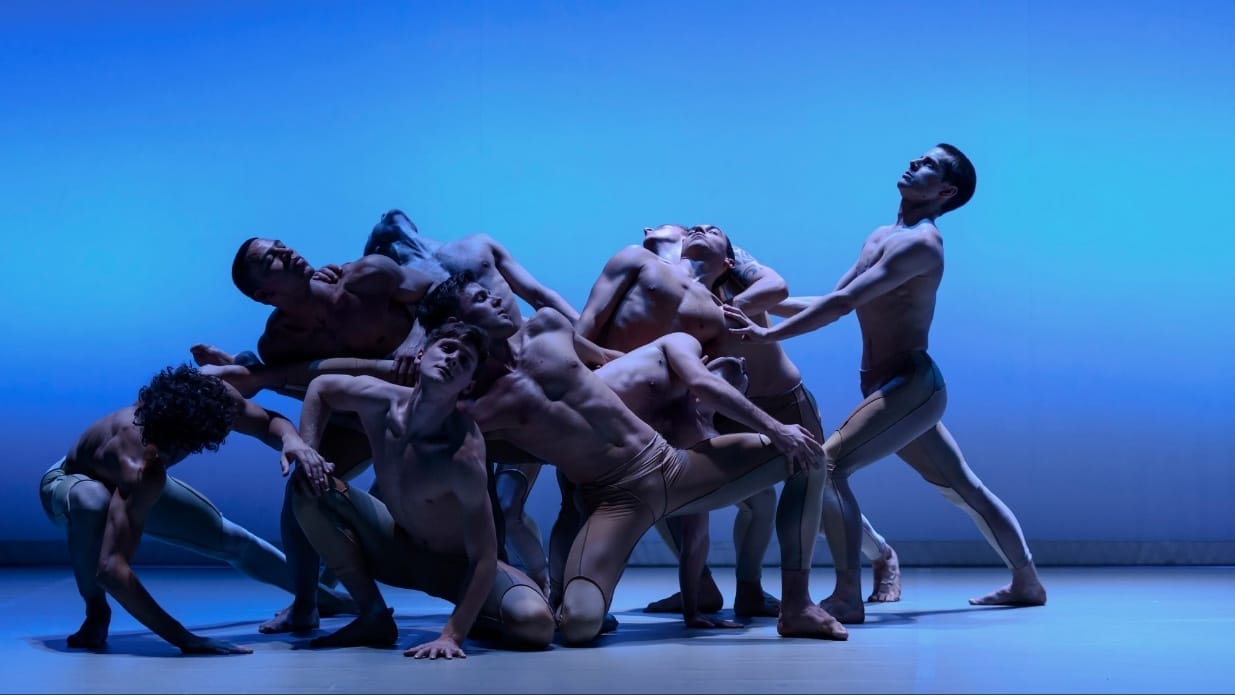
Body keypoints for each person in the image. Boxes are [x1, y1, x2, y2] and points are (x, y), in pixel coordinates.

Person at [418, 272, 847, 644]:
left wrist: (775, 428)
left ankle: (797, 606)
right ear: (457, 324)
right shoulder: (475, 408)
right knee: (579, 627)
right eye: (480, 298)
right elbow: (398, 410)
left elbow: (609, 362)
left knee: (807, 454)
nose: (495, 297)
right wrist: (415, 351)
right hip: (613, 500)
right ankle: (532, 604)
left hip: (671, 466)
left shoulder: (549, 327)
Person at [725, 144, 1047, 623]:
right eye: (918, 158)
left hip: (912, 386)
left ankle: (847, 596)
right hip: (890, 390)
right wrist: (755, 307)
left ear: (946, 191)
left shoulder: (922, 244)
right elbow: (835, 299)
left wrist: (768, 330)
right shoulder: (881, 235)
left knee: (824, 467)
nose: (915, 164)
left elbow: (839, 305)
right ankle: (1028, 582)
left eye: (929, 166)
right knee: (961, 486)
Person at [38, 365, 349, 653]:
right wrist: (185, 639)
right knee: (93, 501)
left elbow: (268, 422)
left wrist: (293, 441)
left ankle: (325, 600)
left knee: (234, 541)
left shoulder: (205, 395)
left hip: (132, 480)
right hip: (70, 482)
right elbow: (112, 570)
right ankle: (96, 613)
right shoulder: (141, 464)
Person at [291, 323, 555, 657]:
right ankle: (372, 614)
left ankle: (479, 616)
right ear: (420, 354)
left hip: (455, 568)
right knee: (306, 485)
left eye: (465, 360)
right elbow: (321, 387)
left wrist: (451, 636)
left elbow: (485, 557)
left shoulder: (462, 452)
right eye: (446, 348)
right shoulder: (378, 402)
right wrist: (308, 450)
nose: (453, 359)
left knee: (535, 625)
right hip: (397, 546)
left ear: (469, 383)